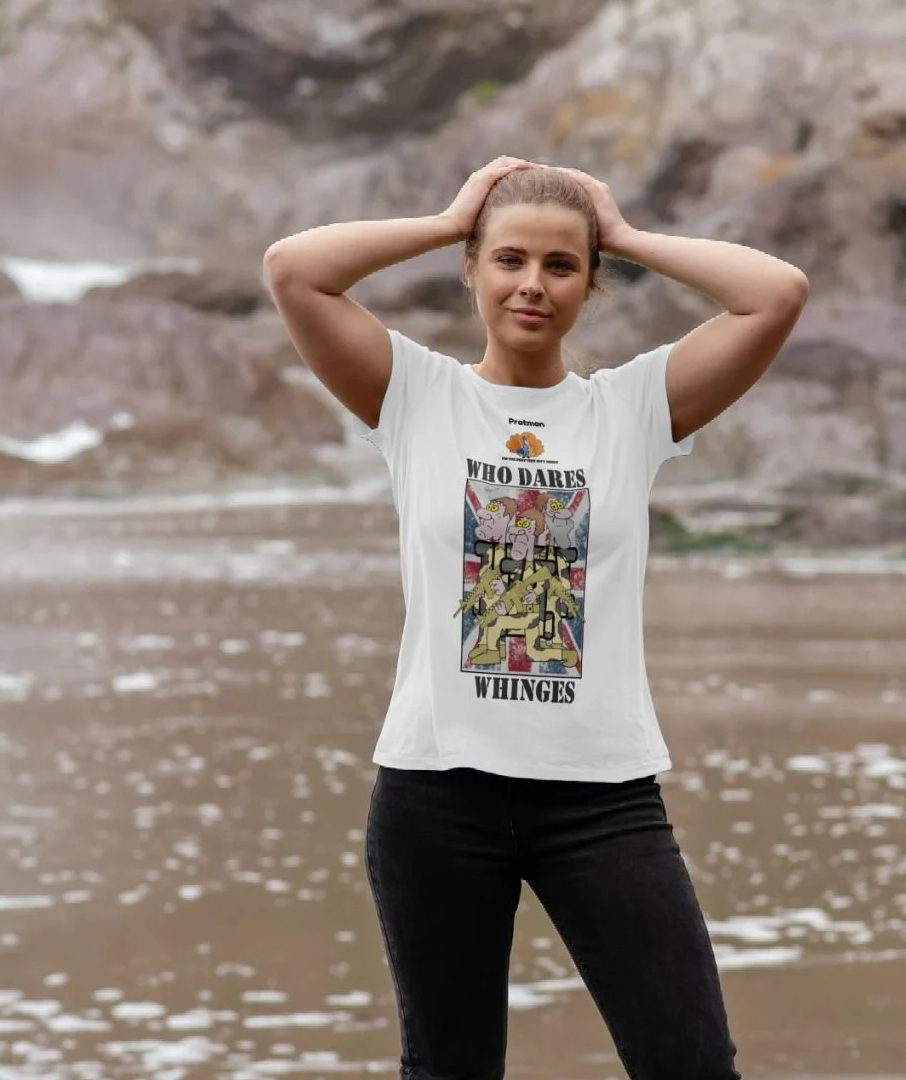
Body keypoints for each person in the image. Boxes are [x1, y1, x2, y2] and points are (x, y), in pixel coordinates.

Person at [264, 156, 809, 1080]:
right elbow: (293, 269)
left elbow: (777, 293)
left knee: (691, 1065)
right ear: (471, 270)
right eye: (508, 259)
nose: (533, 284)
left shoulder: (632, 409)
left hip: (602, 797)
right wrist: (450, 219)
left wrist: (624, 234)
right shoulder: (417, 395)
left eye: (562, 265)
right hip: (438, 794)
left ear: (590, 284)